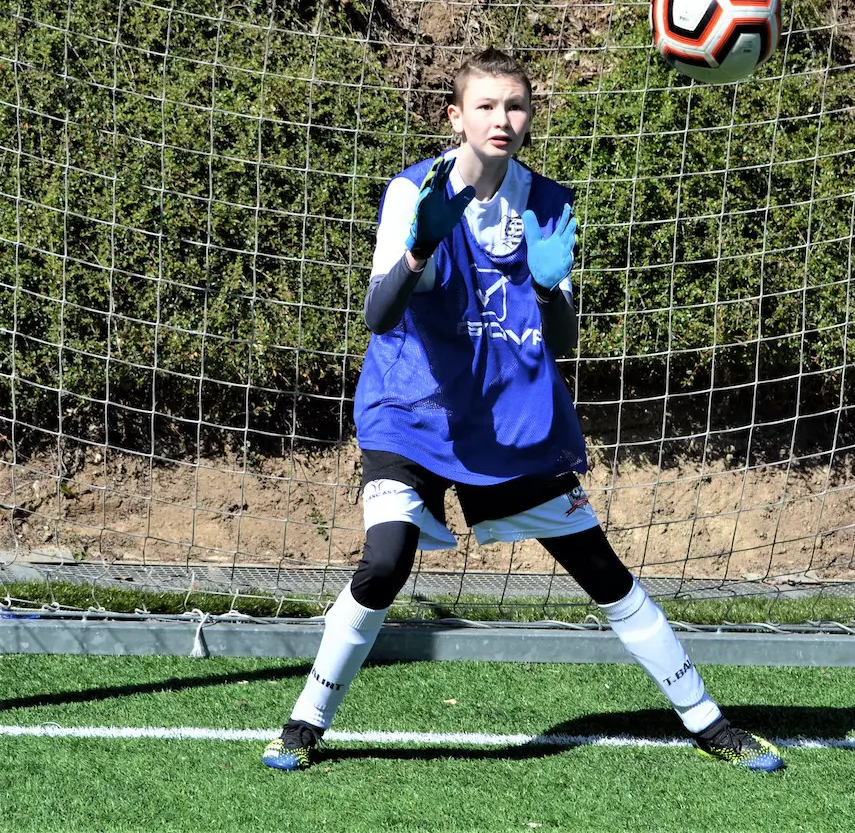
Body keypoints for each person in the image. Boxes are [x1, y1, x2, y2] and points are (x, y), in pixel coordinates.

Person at [262, 48, 784, 773]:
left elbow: (562, 341)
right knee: (385, 561)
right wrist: (417, 252)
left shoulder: (547, 202)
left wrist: (545, 288)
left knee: (602, 570)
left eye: (514, 105)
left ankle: (710, 723)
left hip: (511, 420)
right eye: (485, 105)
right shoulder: (413, 192)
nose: (501, 119)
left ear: (530, 115)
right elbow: (378, 318)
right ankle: (303, 722)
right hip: (412, 411)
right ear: (456, 117)